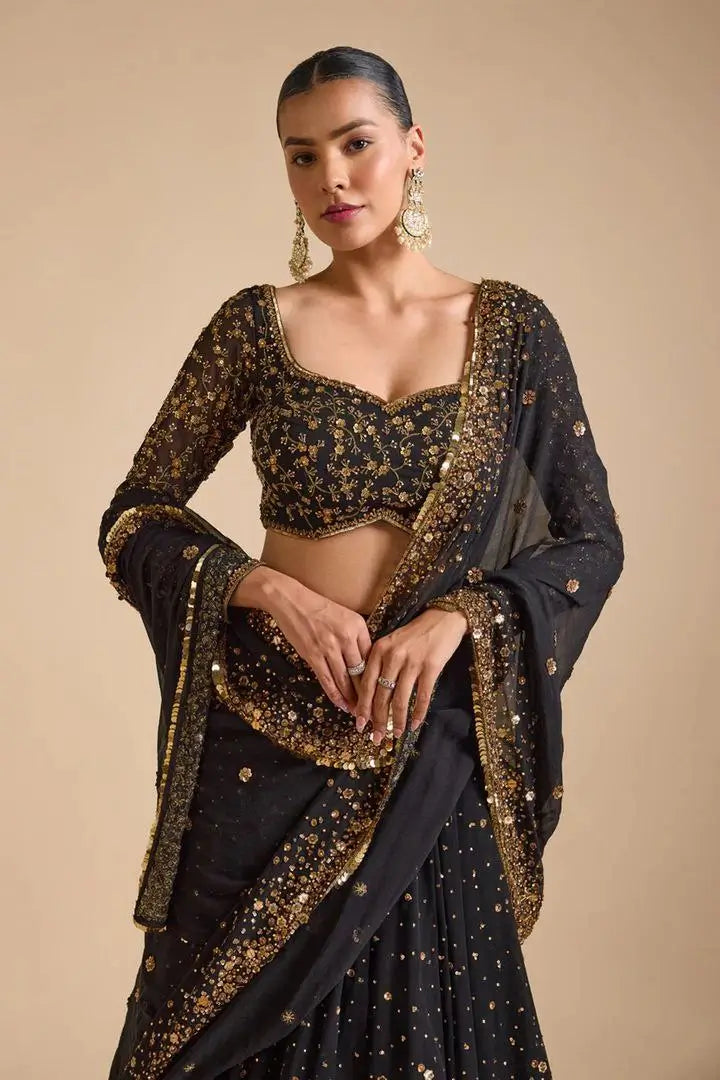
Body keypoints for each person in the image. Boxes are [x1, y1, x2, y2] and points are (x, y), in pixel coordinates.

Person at [98, 45, 624, 1080]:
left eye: (355, 144)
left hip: (429, 739)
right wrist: (265, 590)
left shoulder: (512, 331)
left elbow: (590, 541)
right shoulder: (259, 327)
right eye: (302, 155)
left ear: (413, 147)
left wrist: (461, 617)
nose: (331, 177)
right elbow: (135, 518)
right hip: (261, 744)